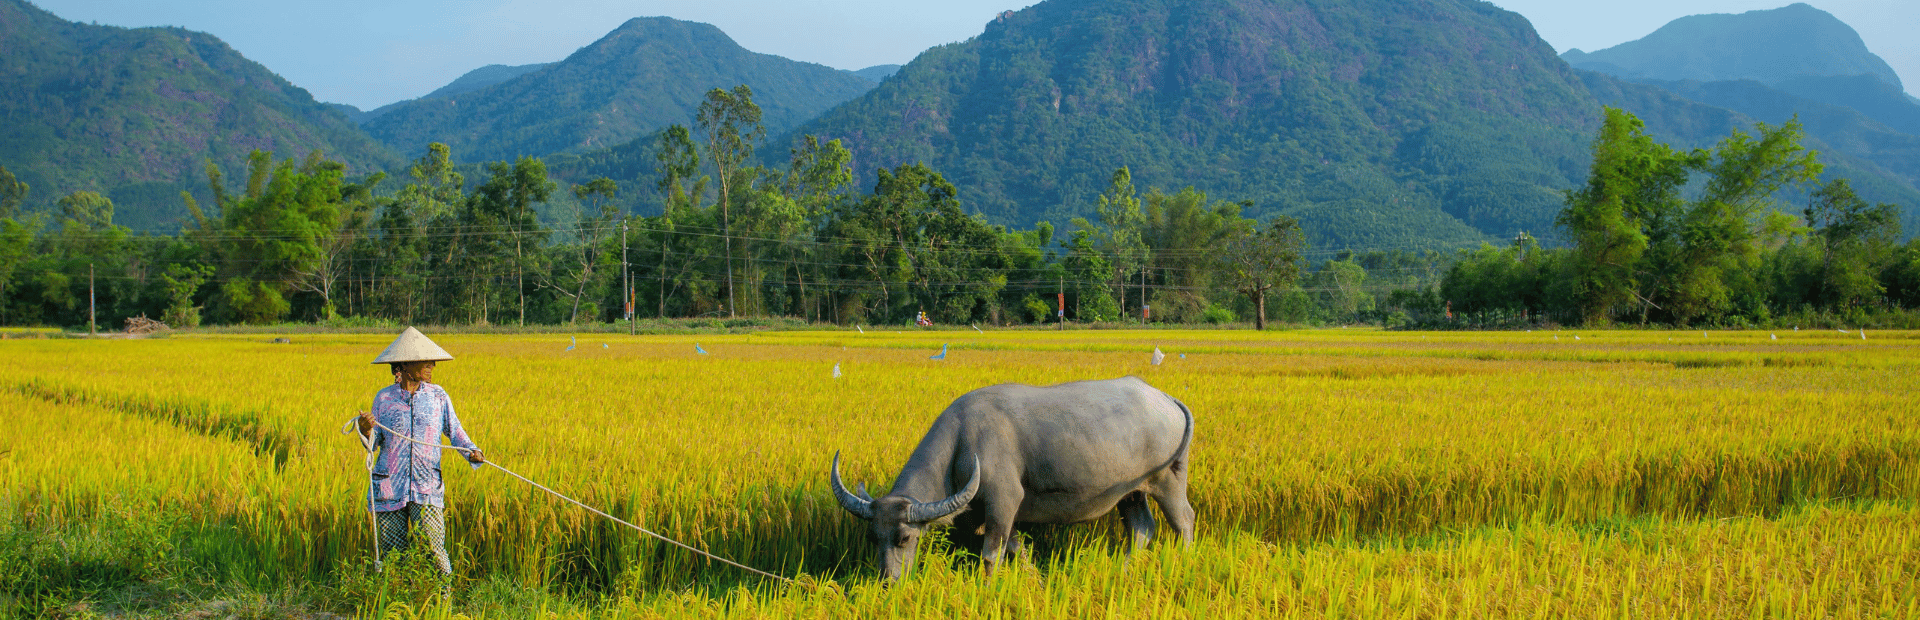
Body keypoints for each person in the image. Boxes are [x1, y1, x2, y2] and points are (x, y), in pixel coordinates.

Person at [355, 327, 484, 576]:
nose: (431, 365)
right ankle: (395, 601)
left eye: (432, 361)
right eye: (424, 360)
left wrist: (471, 451)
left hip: (427, 486)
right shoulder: (384, 399)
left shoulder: (438, 396)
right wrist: (366, 430)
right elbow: (372, 446)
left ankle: (441, 602)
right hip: (389, 488)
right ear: (403, 365)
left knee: (435, 551)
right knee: (393, 553)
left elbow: (454, 430)